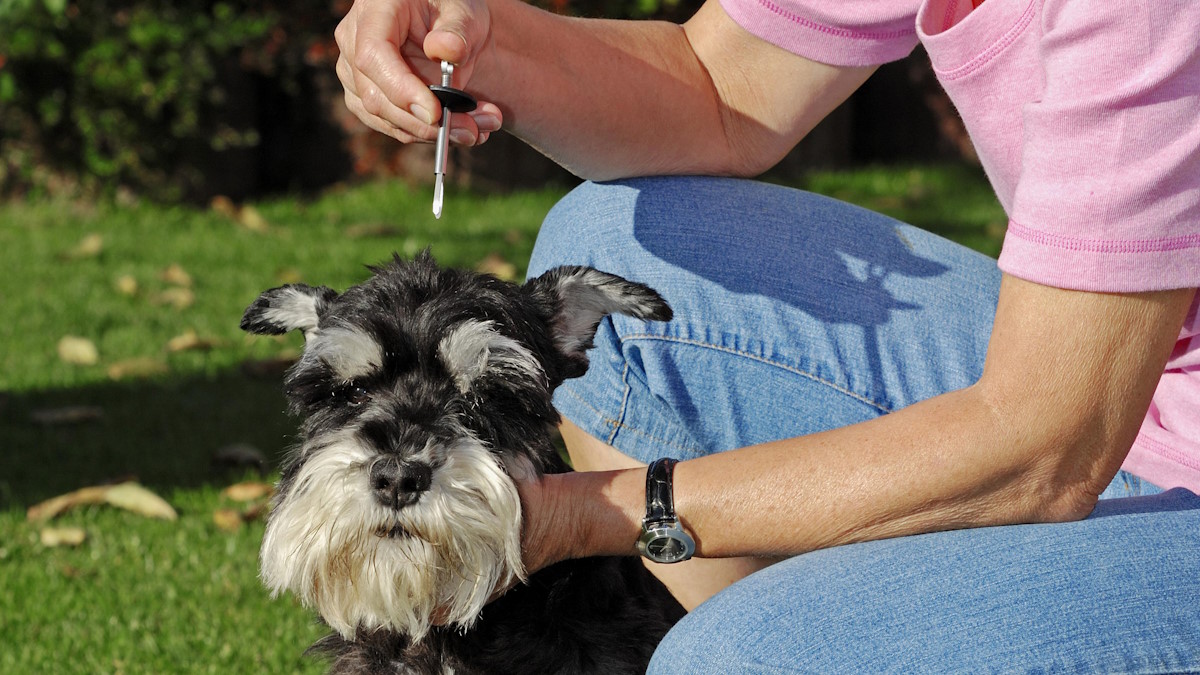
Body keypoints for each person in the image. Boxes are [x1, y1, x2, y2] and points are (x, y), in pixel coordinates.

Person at [334, 0, 1200, 669]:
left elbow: (1049, 446)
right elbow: (719, 87)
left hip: (1090, 427)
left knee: (742, 659)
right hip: (1136, 385)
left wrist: (585, 515)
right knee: (614, 240)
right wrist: (483, 36)